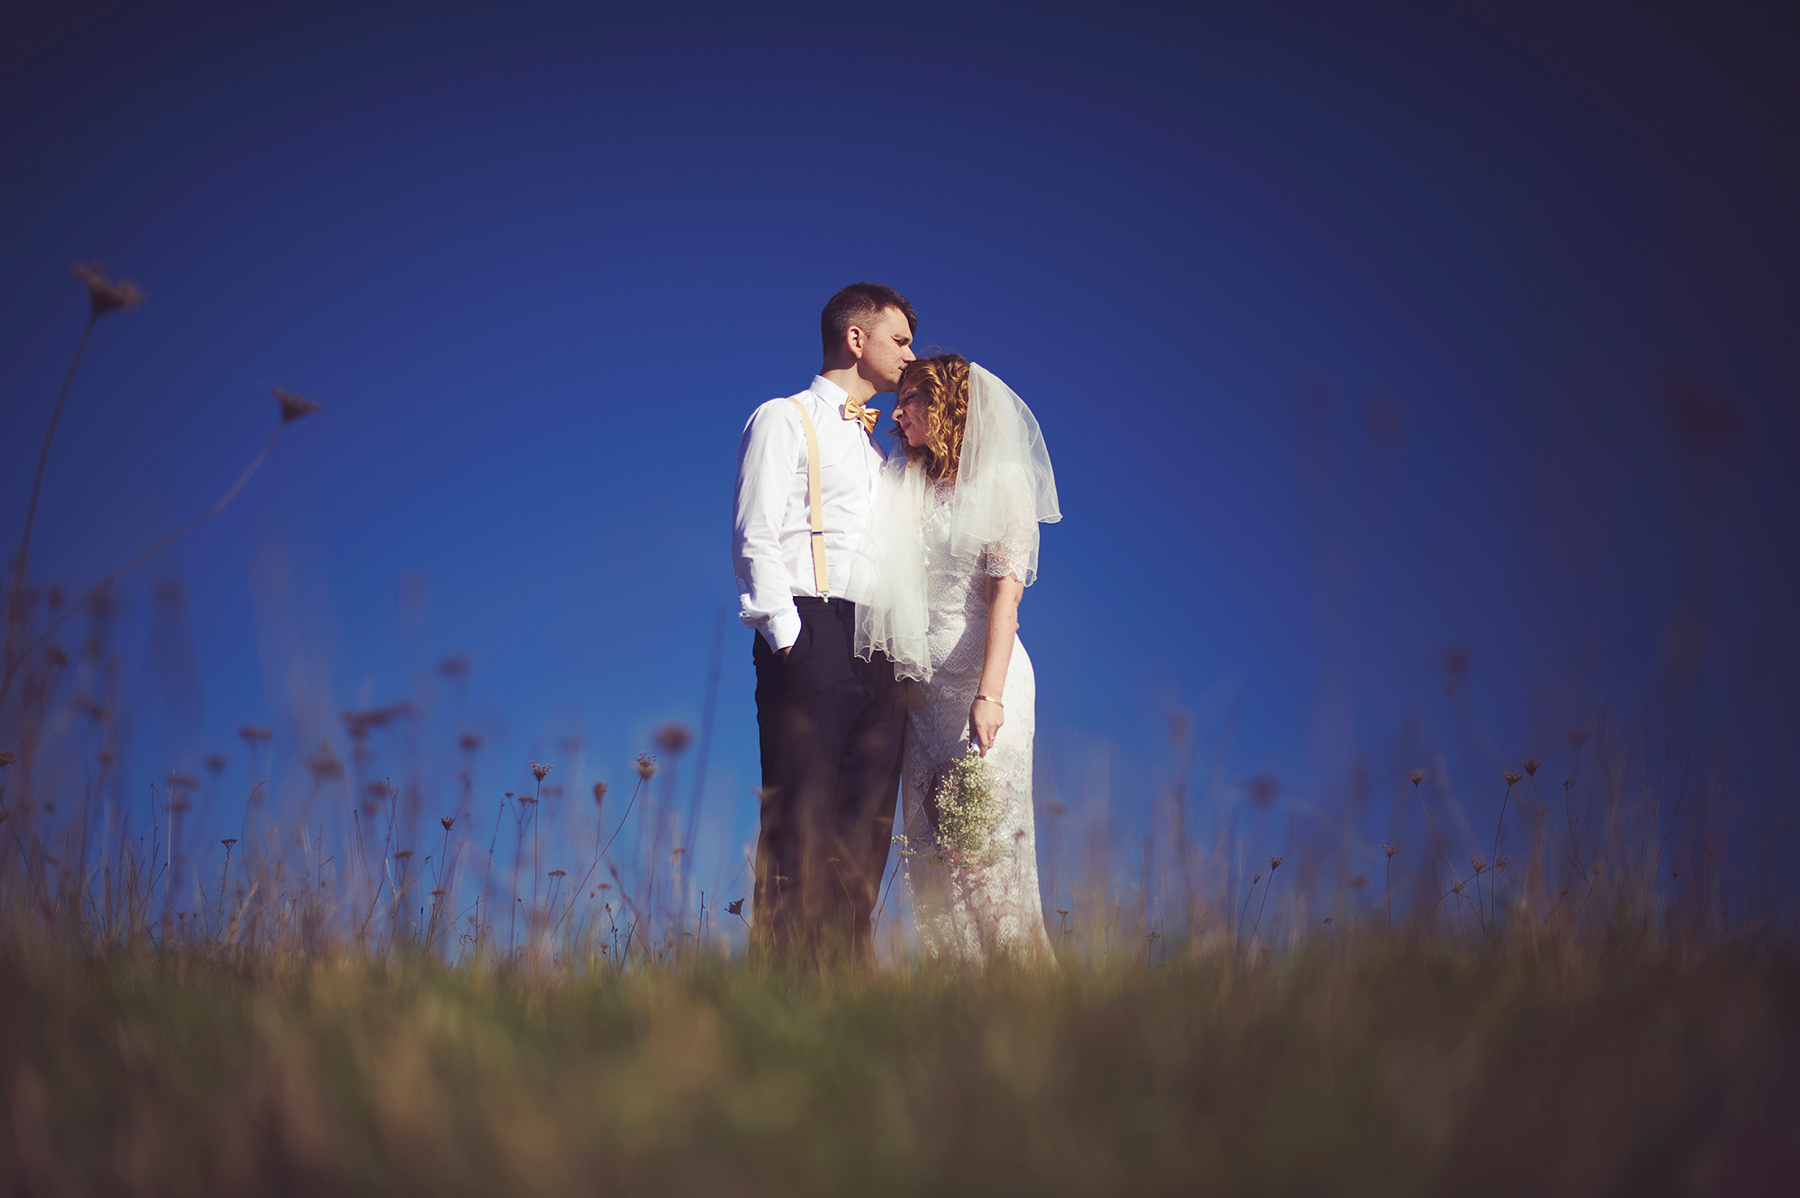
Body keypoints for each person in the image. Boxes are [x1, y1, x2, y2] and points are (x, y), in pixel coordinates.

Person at [731, 282, 917, 960]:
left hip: (882, 649)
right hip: (813, 632)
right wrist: (788, 640)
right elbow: (756, 535)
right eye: (900, 339)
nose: (910, 354)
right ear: (856, 339)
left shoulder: (880, 453)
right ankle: (782, 997)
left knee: (864, 836)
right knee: (800, 826)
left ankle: (844, 999)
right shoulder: (783, 418)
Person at [854, 354, 1060, 960]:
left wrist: (989, 696)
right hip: (923, 699)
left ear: (948, 404)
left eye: (914, 397)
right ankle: (968, 1007)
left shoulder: (1000, 483)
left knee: (980, 848)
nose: (899, 410)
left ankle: (1029, 989)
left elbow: (1005, 600)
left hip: (985, 684)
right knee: (934, 858)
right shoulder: (904, 476)